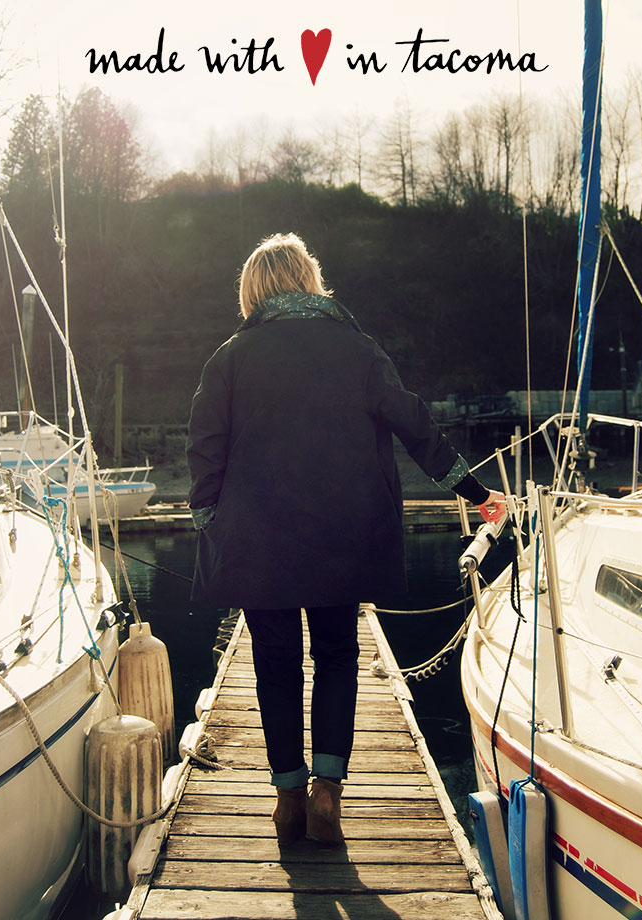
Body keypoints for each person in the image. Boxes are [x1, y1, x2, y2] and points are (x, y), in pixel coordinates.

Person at [186, 232, 505, 847]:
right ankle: (328, 793)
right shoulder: (356, 349)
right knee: (336, 658)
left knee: (275, 668)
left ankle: (286, 799)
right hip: (343, 539)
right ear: (310, 281)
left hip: (260, 544)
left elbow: (205, 446)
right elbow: (414, 422)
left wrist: (209, 524)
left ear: (252, 290)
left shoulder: (230, 357)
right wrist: (474, 490)